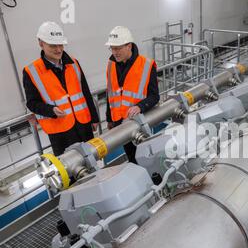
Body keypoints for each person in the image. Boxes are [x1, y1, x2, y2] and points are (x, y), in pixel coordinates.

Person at [23, 21, 100, 156]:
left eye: (61, 44)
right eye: (53, 45)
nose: (58, 49)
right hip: (60, 132)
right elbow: (32, 103)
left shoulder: (74, 63)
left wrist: (94, 118)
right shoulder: (31, 71)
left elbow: (86, 93)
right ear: (41, 43)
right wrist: (50, 110)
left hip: (84, 125)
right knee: (71, 171)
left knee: (93, 160)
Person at [105, 26, 159, 164]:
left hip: (138, 122)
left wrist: (140, 106)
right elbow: (110, 92)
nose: (114, 52)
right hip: (119, 122)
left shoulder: (146, 65)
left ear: (129, 46)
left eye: (118, 48)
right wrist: (109, 118)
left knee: (146, 157)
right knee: (131, 156)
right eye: (112, 48)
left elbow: (154, 96)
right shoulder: (111, 64)